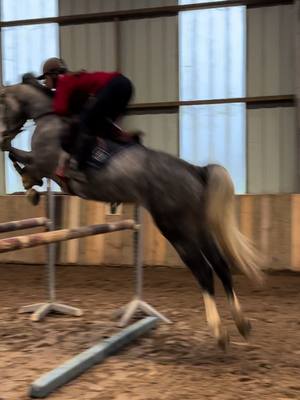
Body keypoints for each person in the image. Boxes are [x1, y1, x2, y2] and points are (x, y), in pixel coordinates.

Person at [38, 57, 135, 170]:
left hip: (114, 85)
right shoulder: (72, 78)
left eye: (45, 78)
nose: (44, 82)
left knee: (83, 123)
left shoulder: (64, 80)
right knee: (102, 125)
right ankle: (128, 143)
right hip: (125, 85)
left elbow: (60, 109)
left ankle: (82, 164)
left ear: (53, 75)